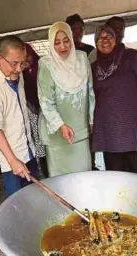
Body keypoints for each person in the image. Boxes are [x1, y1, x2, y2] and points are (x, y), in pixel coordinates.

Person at [91, 25, 137, 176]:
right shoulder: (93, 68)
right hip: (109, 133)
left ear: (115, 38)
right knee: (118, 181)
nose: (105, 40)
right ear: (96, 43)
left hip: (134, 128)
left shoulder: (131, 57)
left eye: (108, 36)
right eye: (100, 38)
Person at [0, 35, 39, 197]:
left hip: (27, 151)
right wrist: (13, 161)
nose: (19, 69)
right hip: (11, 160)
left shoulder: (17, 76)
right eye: (14, 63)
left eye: (23, 63)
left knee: (35, 198)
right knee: (18, 204)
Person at [37, 22, 95, 177]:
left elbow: (90, 91)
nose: (62, 46)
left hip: (80, 132)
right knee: (61, 182)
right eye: (56, 43)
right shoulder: (46, 65)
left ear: (71, 39)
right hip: (57, 136)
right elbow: (46, 102)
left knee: (84, 177)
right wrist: (61, 126)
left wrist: (91, 119)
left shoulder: (82, 59)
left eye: (66, 40)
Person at [22, 43, 49, 178]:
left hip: (46, 111)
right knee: (39, 146)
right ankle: (45, 172)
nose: (26, 59)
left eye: (28, 55)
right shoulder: (21, 72)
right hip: (31, 112)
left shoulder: (42, 65)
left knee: (49, 143)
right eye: (23, 56)